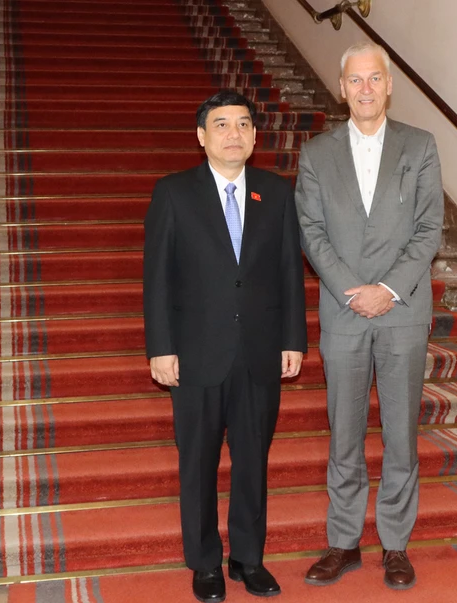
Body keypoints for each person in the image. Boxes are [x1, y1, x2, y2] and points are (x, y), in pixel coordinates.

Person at [143, 90, 308, 602]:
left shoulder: (276, 192)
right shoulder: (173, 193)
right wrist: (161, 347)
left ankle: (248, 558)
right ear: (201, 136)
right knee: (198, 461)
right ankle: (205, 563)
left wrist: (293, 339)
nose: (233, 134)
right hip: (195, 354)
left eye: (242, 124)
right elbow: (158, 279)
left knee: (253, 459)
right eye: (221, 125)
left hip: (259, 351)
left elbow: (288, 272)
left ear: (256, 136)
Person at [294, 42, 444, 591]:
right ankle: (343, 543)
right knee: (345, 434)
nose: (364, 89)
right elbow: (311, 232)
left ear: (388, 85)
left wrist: (386, 289)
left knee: (401, 434)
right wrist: (350, 290)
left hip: (402, 311)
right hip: (342, 311)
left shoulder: (420, 146)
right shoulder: (316, 154)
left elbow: (429, 229)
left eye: (373, 79)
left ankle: (396, 545)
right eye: (354, 80)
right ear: (341, 89)